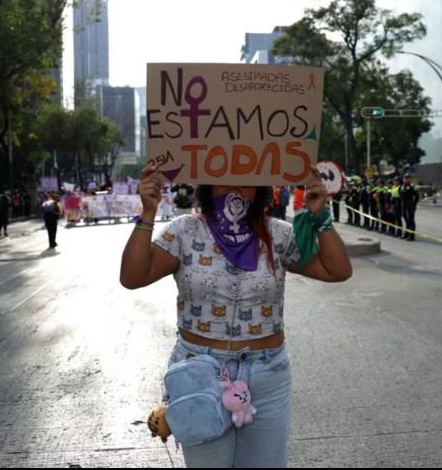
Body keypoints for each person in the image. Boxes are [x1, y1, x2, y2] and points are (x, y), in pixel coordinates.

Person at [120, 165, 352, 468]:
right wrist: (147, 214)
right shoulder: (184, 231)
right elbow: (133, 276)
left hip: (267, 375)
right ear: (205, 186)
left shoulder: (278, 234)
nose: (234, 189)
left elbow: (337, 270)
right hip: (200, 375)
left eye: (246, 181)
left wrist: (321, 216)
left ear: (260, 189)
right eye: (222, 181)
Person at [400, 173, 420, 241]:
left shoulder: (412, 186)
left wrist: (414, 204)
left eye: (408, 178)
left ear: (410, 179)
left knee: (411, 220)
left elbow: (417, 196)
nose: (406, 179)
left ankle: (411, 236)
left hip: (410, 205)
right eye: (405, 178)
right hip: (403, 205)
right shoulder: (402, 186)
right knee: (406, 219)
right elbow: (400, 195)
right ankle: (406, 234)